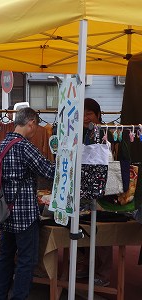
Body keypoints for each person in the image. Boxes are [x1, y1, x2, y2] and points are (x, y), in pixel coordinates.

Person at [0, 107, 55, 300]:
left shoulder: (3, 144)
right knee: (26, 260)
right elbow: (49, 171)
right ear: (31, 123)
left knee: (5, 257)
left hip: (4, 211)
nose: (35, 130)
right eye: (35, 126)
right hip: (24, 214)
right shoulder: (24, 147)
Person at [77, 97, 113, 287]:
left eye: (89, 113)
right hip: (84, 189)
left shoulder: (105, 133)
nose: (85, 117)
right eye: (82, 113)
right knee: (85, 229)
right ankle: (86, 267)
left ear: (98, 115)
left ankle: (104, 274)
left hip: (103, 189)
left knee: (102, 233)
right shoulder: (80, 133)